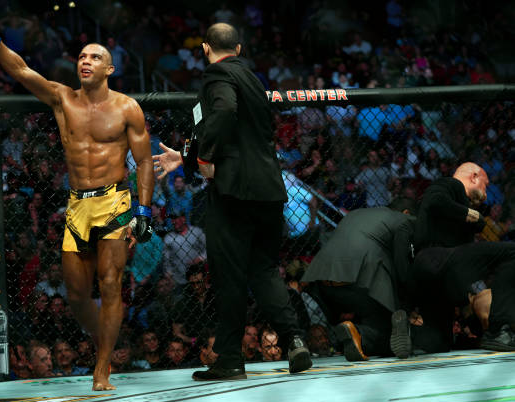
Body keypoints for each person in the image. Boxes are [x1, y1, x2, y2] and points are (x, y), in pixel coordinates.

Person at [0, 4, 154, 391]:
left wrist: (144, 209)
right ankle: (104, 339)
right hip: (77, 204)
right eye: (83, 56)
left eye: (95, 57)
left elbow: (145, 160)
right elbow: (20, 70)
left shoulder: (127, 108)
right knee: (75, 294)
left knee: (110, 282)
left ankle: (102, 368)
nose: (86, 61)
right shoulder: (61, 99)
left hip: (115, 202)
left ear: (109, 69)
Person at [152, 22, 312, 380]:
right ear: (239, 49)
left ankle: (230, 359)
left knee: (229, 275)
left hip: (233, 191)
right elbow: (240, 134)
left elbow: (223, 112)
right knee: (266, 270)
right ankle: (295, 340)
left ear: (206, 48)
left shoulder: (216, 76)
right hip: (269, 189)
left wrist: (205, 158)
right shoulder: (254, 79)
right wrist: (186, 156)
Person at [412, 162, 515, 352]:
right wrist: (473, 216)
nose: (486, 191)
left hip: (430, 274)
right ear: (474, 177)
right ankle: (499, 330)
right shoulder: (452, 185)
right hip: (435, 257)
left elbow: (465, 263)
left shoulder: (458, 208)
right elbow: (435, 200)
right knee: (511, 251)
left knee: (437, 343)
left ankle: (403, 332)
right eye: (485, 184)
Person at [301, 199, 417, 361]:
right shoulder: (404, 220)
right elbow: (402, 266)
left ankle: (349, 336)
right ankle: (360, 334)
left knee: (373, 313)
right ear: (406, 213)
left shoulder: (356, 213)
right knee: (387, 332)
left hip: (323, 280)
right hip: (359, 280)